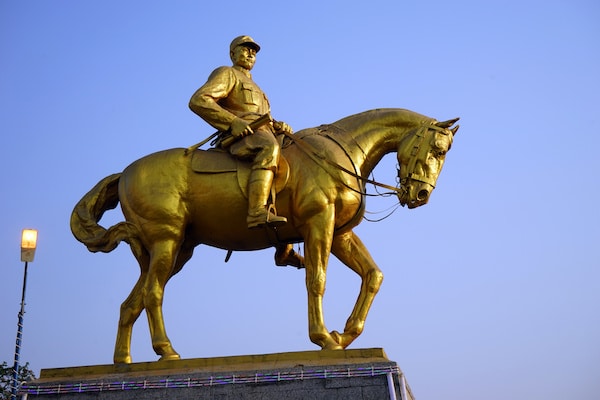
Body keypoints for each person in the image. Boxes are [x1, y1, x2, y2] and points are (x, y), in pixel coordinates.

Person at [189, 35, 303, 268]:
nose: (251, 54)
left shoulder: (259, 89)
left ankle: (285, 248)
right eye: (245, 49)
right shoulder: (226, 73)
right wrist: (232, 122)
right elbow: (199, 100)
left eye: (254, 51)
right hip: (241, 136)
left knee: (297, 159)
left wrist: (279, 125)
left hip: (263, 131)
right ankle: (256, 212)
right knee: (268, 148)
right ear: (233, 54)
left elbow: (264, 119)